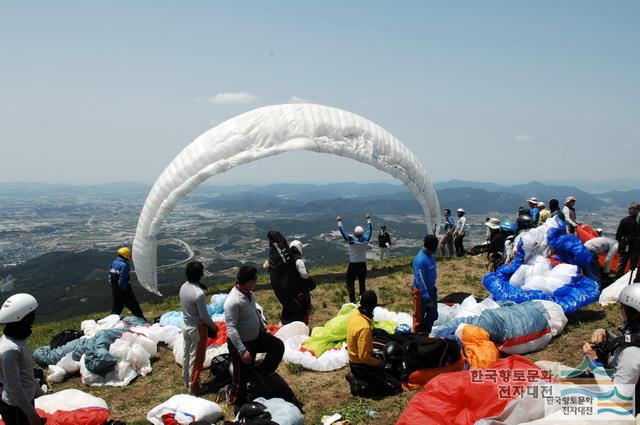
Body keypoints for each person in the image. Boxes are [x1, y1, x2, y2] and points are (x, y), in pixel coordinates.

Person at [224, 266, 285, 409]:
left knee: (277, 346)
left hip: (256, 337)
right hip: (242, 344)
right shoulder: (233, 301)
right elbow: (231, 328)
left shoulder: (250, 294)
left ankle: (261, 373)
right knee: (241, 378)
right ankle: (237, 403)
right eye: (255, 279)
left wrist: (263, 329)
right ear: (249, 281)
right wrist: (242, 351)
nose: (257, 282)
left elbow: (255, 313)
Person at [583, 283, 640, 413]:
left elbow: (618, 399)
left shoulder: (632, 355)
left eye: (623, 308)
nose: (621, 312)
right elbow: (628, 341)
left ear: (632, 314)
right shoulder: (636, 336)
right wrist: (604, 333)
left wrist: (595, 363)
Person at [0, 294, 46, 425]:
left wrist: (40, 394)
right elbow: (13, 388)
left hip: (26, 401)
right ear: (22, 319)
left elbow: (27, 373)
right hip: (16, 408)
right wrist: (31, 415)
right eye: (31, 316)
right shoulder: (9, 350)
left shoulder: (19, 340)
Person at [345, 290, 401, 397]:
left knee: (386, 373)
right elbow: (364, 357)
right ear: (372, 306)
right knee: (395, 387)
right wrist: (380, 363)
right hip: (361, 366)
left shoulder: (355, 315)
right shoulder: (364, 327)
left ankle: (360, 376)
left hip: (353, 360)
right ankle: (358, 380)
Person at [179, 261, 219, 395]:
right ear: (200, 274)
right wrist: (214, 327)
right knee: (197, 359)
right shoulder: (199, 293)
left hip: (186, 325)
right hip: (197, 328)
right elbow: (204, 316)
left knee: (186, 356)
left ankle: (186, 381)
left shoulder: (184, 286)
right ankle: (194, 387)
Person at [266, 230, 305, 325]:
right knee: (295, 309)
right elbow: (304, 275)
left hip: (280, 288)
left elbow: (266, 266)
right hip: (291, 289)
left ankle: (285, 324)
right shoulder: (294, 259)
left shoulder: (275, 255)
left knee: (288, 307)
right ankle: (294, 326)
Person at [337, 214, 373, 303]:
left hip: (353, 264)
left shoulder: (352, 240)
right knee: (362, 283)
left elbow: (343, 231)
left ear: (355, 234)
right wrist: (368, 219)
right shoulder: (366, 239)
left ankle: (352, 301)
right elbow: (370, 229)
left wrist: (339, 221)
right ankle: (362, 300)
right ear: (362, 233)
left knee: (350, 282)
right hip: (362, 264)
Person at [108, 247, 145, 320]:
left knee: (117, 304)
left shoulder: (114, 262)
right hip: (123, 287)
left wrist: (114, 286)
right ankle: (141, 318)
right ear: (126, 255)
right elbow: (122, 279)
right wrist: (124, 289)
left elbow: (110, 276)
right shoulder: (124, 265)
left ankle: (111, 319)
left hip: (114, 286)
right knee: (132, 304)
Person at [412, 235, 439, 334]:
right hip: (421, 293)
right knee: (419, 317)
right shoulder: (419, 260)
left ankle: (426, 333)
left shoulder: (430, 255)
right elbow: (420, 281)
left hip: (431, 290)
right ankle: (416, 336)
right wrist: (427, 298)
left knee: (433, 314)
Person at [288, 240, 315, 325]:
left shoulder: (287, 261)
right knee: (303, 313)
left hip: (290, 291)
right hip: (301, 292)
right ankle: (303, 327)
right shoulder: (298, 261)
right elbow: (304, 275)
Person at [615, 203, 640, 279]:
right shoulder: (637, 222)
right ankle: (629, 277)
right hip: (635, 245)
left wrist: (621, 242)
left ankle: (618, 276)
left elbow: (618, 235)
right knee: (633, 262)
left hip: (626, 243)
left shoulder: (624, 220)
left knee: (622, 261)